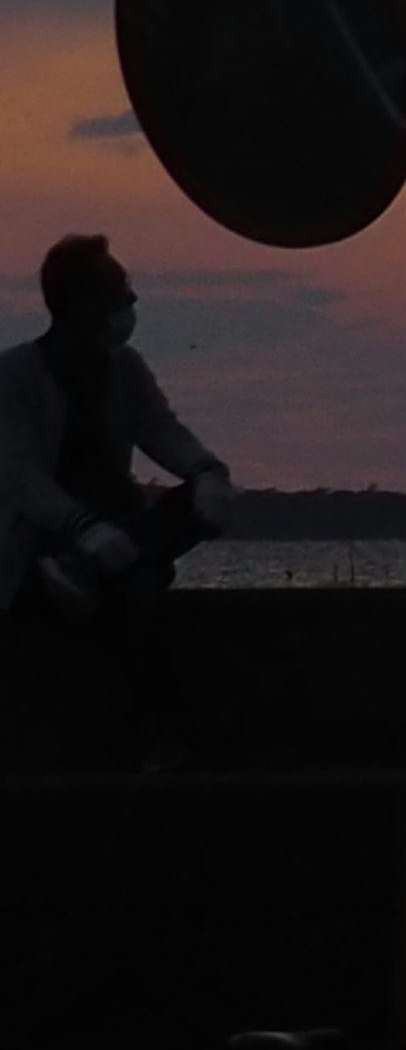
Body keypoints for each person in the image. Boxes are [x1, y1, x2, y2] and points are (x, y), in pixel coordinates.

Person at [0, 236, 235, 765]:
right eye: (120, 293)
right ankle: (163, 737)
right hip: (39, 554)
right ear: (80, 304)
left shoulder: (124, 368)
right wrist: (83, 528)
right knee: (140, 592)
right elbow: (22, 480)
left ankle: (85, 570)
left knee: (187, 510)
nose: (130, 306)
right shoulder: (14, 376)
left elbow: (161, 430)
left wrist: (206, 472)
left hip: (118, 534)